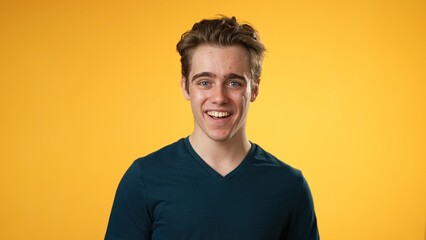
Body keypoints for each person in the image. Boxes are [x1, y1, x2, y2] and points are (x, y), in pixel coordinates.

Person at [105, 16, 319, 240]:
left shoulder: (289, 187)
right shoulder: (144, 179)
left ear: (254, 90)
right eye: (204, 82)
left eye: (234, 82)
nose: (218, 97)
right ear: (186, 87)